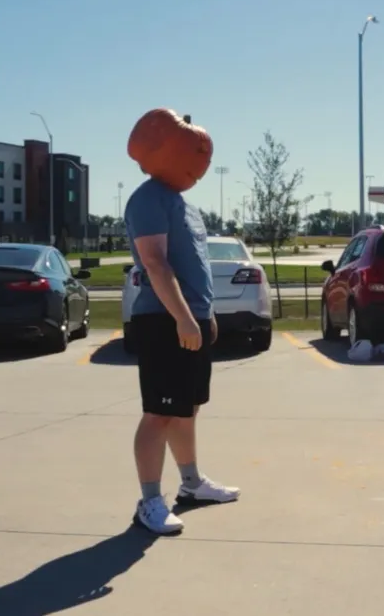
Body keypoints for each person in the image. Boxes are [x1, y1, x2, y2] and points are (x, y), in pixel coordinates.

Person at [125, 177, 240, 535]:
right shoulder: (147, 200)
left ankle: (191, 484)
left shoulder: (183, 204)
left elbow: (194, 264)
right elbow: (155, 263)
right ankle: (149, 501)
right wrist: (184, 318)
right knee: (159, 413)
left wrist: (206, 315)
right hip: (163, 321)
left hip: (192, 317)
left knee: (186, 408)